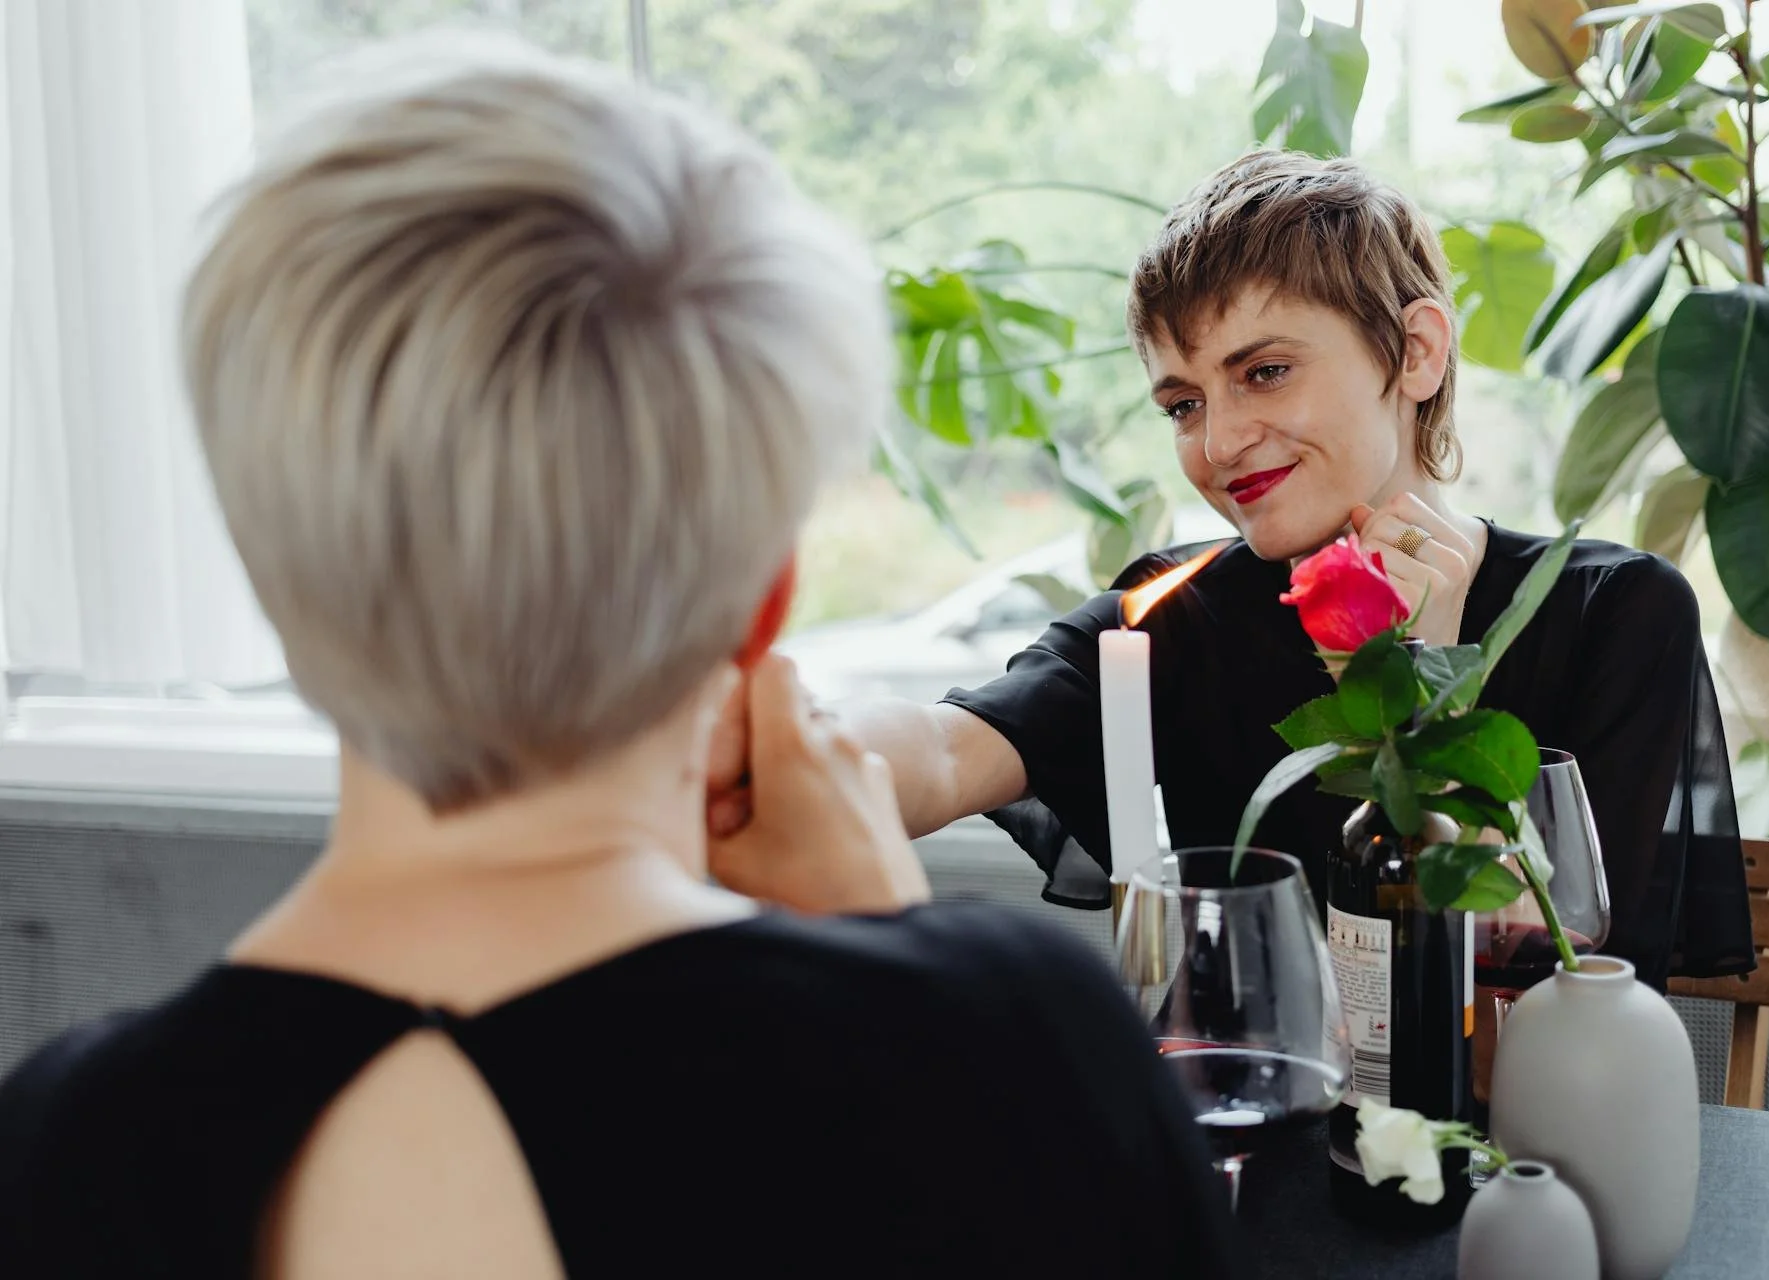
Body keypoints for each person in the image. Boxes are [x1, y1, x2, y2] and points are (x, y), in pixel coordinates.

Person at [0, 41, 1241, 1280]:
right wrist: (910, 979)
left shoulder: (58, 1148)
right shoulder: (1010, 1041)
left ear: (269, 559)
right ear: (764, 607)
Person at [782, 150, 1753, 992]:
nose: (1219, 442)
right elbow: (947, 750)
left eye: (1264, 371)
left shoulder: (1614, 613)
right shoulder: (1170, 611)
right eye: (1181, 404)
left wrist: (1429, 682)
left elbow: (1553, 1000)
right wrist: (768, 753)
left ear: (1414, 352)